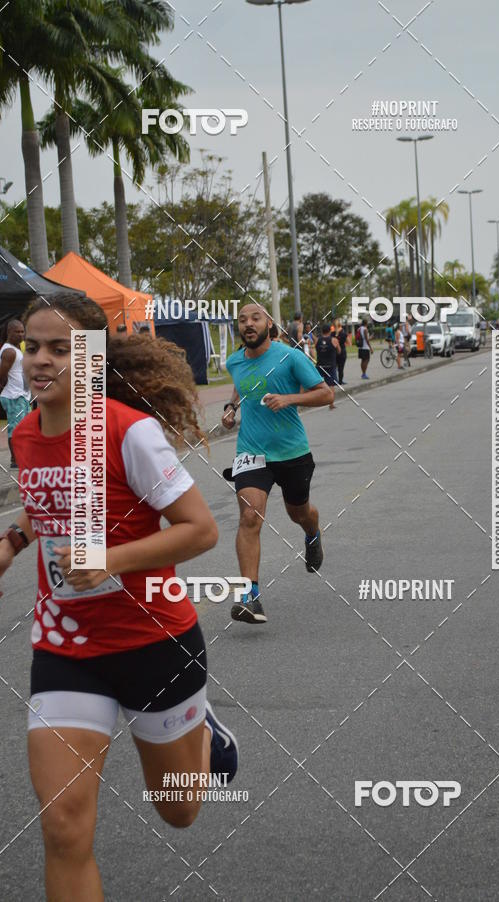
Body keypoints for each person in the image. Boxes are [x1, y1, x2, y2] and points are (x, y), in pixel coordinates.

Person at [4, 293, 238, 900]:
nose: (41, 359)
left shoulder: (129, 432)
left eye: (61, 347)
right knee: (63, 826)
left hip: (155, 642)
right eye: (32, 346)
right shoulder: (23, 434)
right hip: (66, 648)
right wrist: (11, 539)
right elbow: (42, 503)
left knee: (179, 811)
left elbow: (201, 529)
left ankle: (206, 734)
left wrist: (107, 559)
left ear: (90, 356)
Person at [222, 303, 332, 623]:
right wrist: (231, 408)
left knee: (298, 512)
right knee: (249, 516)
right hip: (251, 451)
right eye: (242, 320)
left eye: (255, 318)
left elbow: (325, 395)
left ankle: (312, 533)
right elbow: (242, 384)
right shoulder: (234, 361)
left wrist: (289, 399)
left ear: (269, 324)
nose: (248, 324)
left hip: (292, 451)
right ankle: (249, 596)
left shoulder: (290, 356)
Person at [0, 319, 30, 468]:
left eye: (22, 331)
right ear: (8, 332)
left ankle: (21, 457)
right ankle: (15, 461)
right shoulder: (9, 351)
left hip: (22, 396)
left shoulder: (17, 349)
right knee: (16, 428)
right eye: (16, 332)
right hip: (14, 396)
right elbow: (1, 375)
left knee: (23, 428)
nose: (20, 335)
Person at [315, 323, 340, 410]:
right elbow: (339, 350)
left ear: (322, 331)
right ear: (330, 331)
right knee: (331, 385)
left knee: (318, 384)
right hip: (330, 365)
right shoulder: (334, 340)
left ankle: (318, 401)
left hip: (320, 365)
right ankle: (331, 403)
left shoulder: (317, 340)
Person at [334, 319, 349, 384]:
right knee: (341, 368)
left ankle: (334, 380)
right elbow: (348, 342)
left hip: (334, 352)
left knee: (334, 367)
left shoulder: (332, 333)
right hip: (342, 351)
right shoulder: (343, 333)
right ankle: (340, 381)